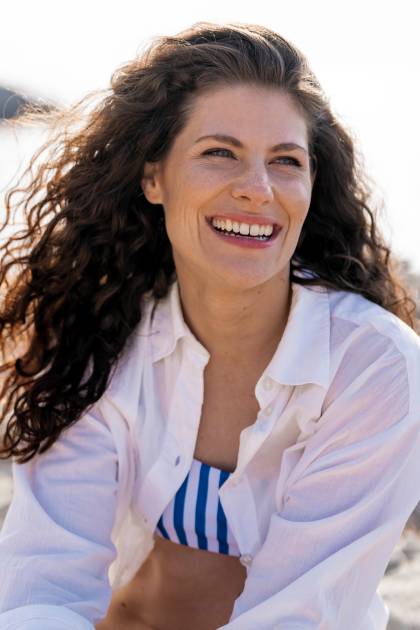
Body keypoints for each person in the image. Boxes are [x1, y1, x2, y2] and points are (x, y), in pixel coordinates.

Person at [0, 21, 420, 630]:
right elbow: (43, 583)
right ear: (153, 177)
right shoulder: (96, 332)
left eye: (285, 161)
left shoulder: (373, 367)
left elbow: (299, 617)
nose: (258, 189)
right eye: (219, 152)